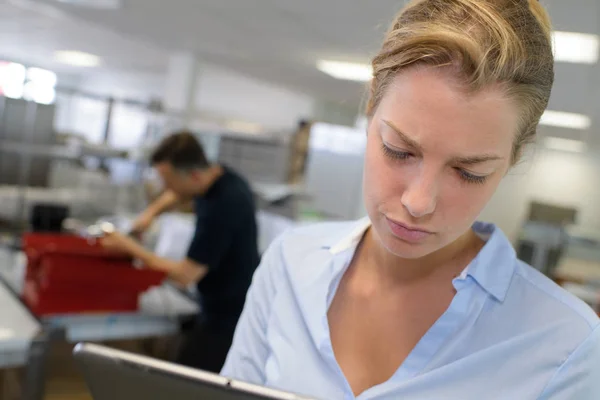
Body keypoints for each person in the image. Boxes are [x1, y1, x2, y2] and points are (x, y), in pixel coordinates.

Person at [221, 1, 600, 399]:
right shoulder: (289, 263)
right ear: (371, 108)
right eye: (399, 150)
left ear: (513, 159)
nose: (419, 202)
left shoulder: (565, 345)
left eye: (469, 172)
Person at [101, 131, 260, 373]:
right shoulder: (219, 175)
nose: (165, 187)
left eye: (168, 180)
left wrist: (131, 248)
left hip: (230, 316)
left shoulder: (224, 207)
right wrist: (148, 216)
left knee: (186, 380)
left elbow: (185, 276)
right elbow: (176, 193)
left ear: (194, 175)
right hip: (217, 302)